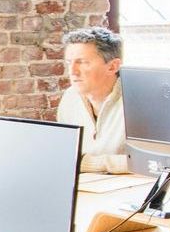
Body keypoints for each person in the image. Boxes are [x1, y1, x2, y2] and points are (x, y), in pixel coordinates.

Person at [56, 26, 131, 174]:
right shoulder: (70, 98)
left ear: (113, 66)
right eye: (69, 63)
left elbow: (153, 164)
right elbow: (64, 156)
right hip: (85, 186)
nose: (72, 72)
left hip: (129, 190)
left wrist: (88, 163)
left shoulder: (138, 102)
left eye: (83, 62)